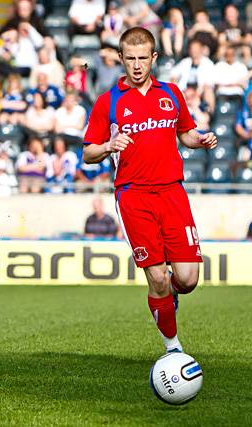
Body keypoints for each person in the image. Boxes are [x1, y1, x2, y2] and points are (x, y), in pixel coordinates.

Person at [83, 28, 218, 354]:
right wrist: (108, 145)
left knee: (186, 279)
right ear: (121, 59)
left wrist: (199, 141)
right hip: (133, 195)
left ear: (154, 58)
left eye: (143, 58)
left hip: (172, 192)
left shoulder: (171, 93)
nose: (137, 65)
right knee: (157, 277)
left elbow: (185, 133)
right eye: (130, 59)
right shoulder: (109, 102)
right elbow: (87, 152)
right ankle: (173, 348)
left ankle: (168, 297)